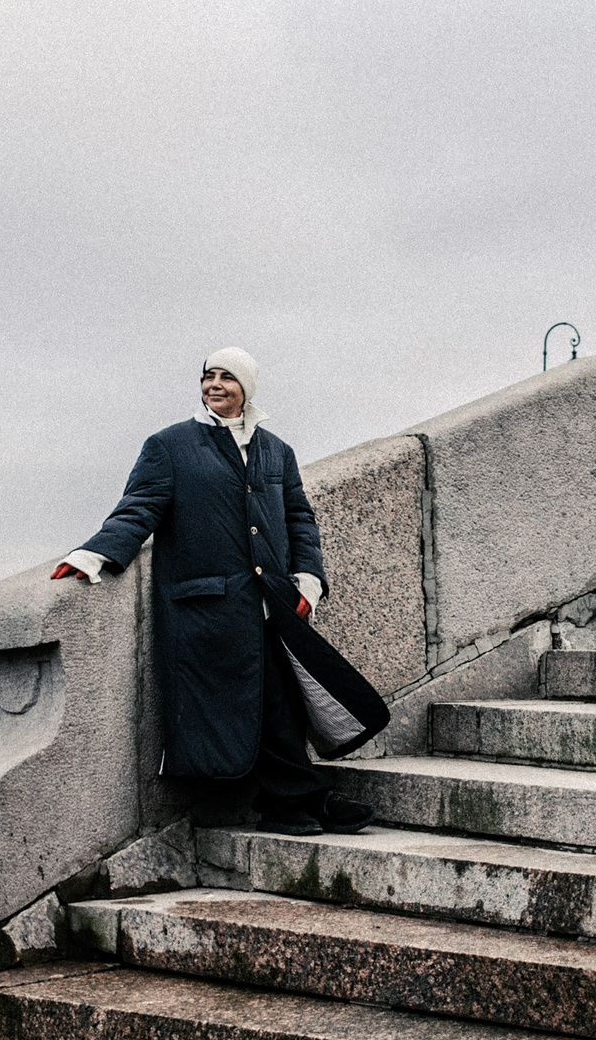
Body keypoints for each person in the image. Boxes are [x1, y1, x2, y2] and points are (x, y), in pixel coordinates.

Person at [52, 348, 373, 837]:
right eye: (208, 376)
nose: (215, 385)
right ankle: (300, 800)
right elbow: (139, 507)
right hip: (207, 609)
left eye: (227, 378)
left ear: (247, 388)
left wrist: (308, 577)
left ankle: (295, 800)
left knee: (281, 701)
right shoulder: (170, 446)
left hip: (272, 604)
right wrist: (94, 554)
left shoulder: (275, 450)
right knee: (242, 703)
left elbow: (299, 518)